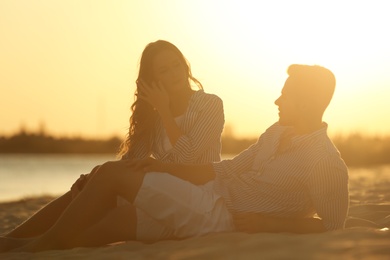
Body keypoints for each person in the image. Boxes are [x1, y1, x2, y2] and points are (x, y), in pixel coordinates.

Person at [4, 64, 349, 252]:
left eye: (285, 96)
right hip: (210, 197)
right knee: (113, 224)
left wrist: (273, 224)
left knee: (111, 174)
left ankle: (35, 248)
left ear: (304, 103)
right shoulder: (276, 132)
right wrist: (164, 167)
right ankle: (15, 242)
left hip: (220, 217)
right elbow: (224, 168)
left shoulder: (325, 161)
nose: (277, 101)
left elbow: (333, 227)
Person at [3, 40, 225, 240]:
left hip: (196, 196)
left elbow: (188, 157)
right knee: (84, 190)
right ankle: (11, 239)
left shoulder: (209, 105)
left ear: (185, 66)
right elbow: (131, 162)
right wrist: (94, 178)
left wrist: (165, 112)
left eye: (177, 65)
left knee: (108, 218)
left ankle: (37, 243)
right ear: (153, 80)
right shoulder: (153, 117)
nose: (174, 73)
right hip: (159, 191)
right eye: (164, 70)